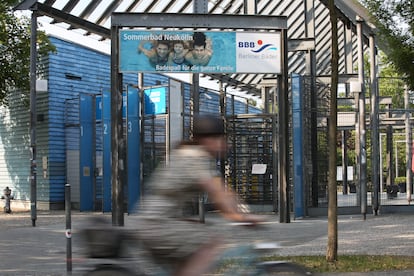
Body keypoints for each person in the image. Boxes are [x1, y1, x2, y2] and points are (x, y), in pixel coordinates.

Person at [134, 115, 261, 276]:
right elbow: (217, 192)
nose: (225, 144)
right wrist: (240, 217)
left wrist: (240, 212)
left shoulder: (189, 153)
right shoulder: (195, 156)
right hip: (157, 226)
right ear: (208, 140)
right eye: (221, 139)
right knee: (210, 242)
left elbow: (223, 190)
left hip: (153, 223)